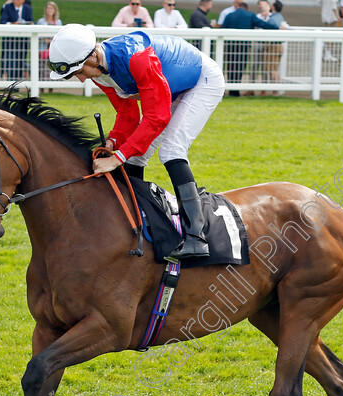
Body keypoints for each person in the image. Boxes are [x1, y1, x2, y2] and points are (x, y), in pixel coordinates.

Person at [47, 24, 226, 258]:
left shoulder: (138, 58)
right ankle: (132, 225)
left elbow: (156, 116)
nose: (81, 80)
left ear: (93, 56)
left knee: (172, 150)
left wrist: (118, 159)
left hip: (201, 81)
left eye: (79, 72)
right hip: (171, 87)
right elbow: (127, 114)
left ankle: (196, 238)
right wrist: (113, 142)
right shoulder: (99, 70)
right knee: (138, 155)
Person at [222, 1, 279, 96]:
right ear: (246, 8)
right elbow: (262, 24)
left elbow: (223, 28)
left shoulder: (229, 15)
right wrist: (276, 28)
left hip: (231, 46)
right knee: (240, 67)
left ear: (238, 7)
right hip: (244, 46)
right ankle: (235, 91)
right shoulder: (250, 15)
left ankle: (231, 89)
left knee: (231, 67)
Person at [0, 0, 34, 80]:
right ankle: (11, 84)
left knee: (21, 62)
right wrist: (13, 24)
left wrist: (30, 24)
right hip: (10, 40)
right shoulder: (7, 7)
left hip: (23, 40)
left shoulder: (28, 9)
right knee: (11, 62)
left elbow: (31, 21)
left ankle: (18, 84)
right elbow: (2, 21)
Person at [36, 1, 62, 91]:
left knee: (52, 68)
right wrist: (46, 40)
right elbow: (38, 35)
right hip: (43, 49)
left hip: (53, 49)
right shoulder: (41, 21)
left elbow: (59, 36)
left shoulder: (58, 22)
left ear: (55, 10)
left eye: (51, 8)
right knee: (42, 68)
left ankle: (51, 88)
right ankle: (41, 88)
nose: (49, 10)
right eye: (48, 8)